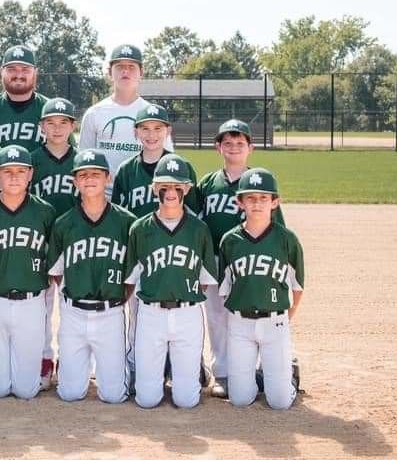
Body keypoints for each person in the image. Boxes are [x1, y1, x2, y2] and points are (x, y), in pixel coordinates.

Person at [111, 103, 201, 385]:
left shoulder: (182, 166)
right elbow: (119, 213)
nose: (151, 135)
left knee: (184, 314)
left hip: (177, 253)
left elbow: (195, 216)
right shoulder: (127, 170)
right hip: (142, 252)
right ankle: (139, 364)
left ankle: (183, 365)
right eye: (145, 129)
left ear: (168, 131)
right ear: (136, 132)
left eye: (158, 129)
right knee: (140, 312)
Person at [197, 119, 285, 399]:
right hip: (215, 262)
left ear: (251, 148)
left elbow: (278, 229)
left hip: (249, 263)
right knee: (218, 318)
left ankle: (260, 368)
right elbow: (196, 225)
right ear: (218, 147)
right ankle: (222, 372)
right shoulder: (208, 184)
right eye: (228, 143)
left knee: (252, 315)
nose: (234, 148)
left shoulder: (259, 182)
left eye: (240, 143)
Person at [125, 154, 217, 409]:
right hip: (151, 315)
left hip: (187, 314)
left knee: (186, 401)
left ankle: (192, 370)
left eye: (178, 186)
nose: (171, 192)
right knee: (146, 400)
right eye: (165, 185)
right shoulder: (140, 229)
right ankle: (149, 373)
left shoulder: (199, 229)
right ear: (155, 188)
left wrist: (181, 294)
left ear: (187, 189)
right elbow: (131, 280)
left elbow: (205, 281)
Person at [47, 150, 136, 403]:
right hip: (74, 313)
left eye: (95, 174)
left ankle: (118, 372)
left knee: (114, 395)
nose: (89, 179)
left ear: (108, 178)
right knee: (70, 393)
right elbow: (56, 272)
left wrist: (117, 299)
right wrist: (74, 295)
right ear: (75, 181)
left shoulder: (126, 222)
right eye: (82, 175)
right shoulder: (64, 223)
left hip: (110, 312)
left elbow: (131, 274)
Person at [0, 145, 56, 399]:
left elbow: (52, 262)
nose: (13, 177)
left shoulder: (45, 211)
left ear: (31, 174)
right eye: (7, 171)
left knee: (26, 390)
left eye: (20, 171)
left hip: (30, 301)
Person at [218, 168, 304, 410]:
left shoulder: (286, 239)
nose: (257, 204)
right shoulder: (230, 241)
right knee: (240, 399)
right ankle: (259, 376)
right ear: (240, 202)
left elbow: (297, 286)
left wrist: (287, 317)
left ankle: (290, 373)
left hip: (275, 322)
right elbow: (225, 288)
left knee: (279, 402)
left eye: (264, 198)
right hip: (240, 325)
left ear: (275, 202)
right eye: (251, 198)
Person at [30, 97, 78, 390]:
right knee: (43, 305)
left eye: (63, 123)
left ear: (73, 126)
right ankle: (44, 359)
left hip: (75, 242)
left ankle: (72, 360)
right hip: (41, 241)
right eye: (51, 122)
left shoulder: (84, 159)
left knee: (72, 304)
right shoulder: (31, 160)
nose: (57, 128)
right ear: (41, 126)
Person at [78, 44, 173, 195]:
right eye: (120, 66)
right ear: (110, 72)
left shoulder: (153, 114)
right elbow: (84, 160)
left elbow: (167, 159)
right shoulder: (94, 113)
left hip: (143, 195)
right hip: (103, 198)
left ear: (141, 72)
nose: (125, 71)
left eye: (131, 66)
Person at [0, 45, 49, 151]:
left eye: (25, 69)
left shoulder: (49, 109)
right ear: (1, 71)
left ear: (35, 72)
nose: (19, 75)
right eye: (11, 69)